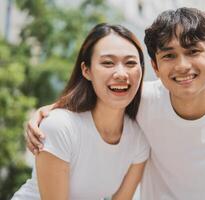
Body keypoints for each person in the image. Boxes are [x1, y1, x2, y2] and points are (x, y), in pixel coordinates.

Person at [25, 7, 205, 200]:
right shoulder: (142, 101)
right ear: (155, 66)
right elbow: (98, 98)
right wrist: (49, 111)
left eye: (193, 51)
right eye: (170, 55)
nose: (183, 66)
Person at [12, 23, 150, 200]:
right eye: (108, 63)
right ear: (86, 70)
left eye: (130, 63)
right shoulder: (60, 126)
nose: (121, 73)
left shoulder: (138, 139)